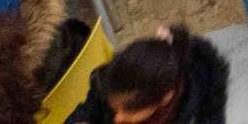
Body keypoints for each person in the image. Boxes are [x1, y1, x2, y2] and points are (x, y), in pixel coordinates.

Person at [64, 25, 229, 124]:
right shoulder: (113, 82)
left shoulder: (200, 104)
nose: (118, 118)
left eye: (129, 110)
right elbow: (91, 108)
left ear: (165, 99)